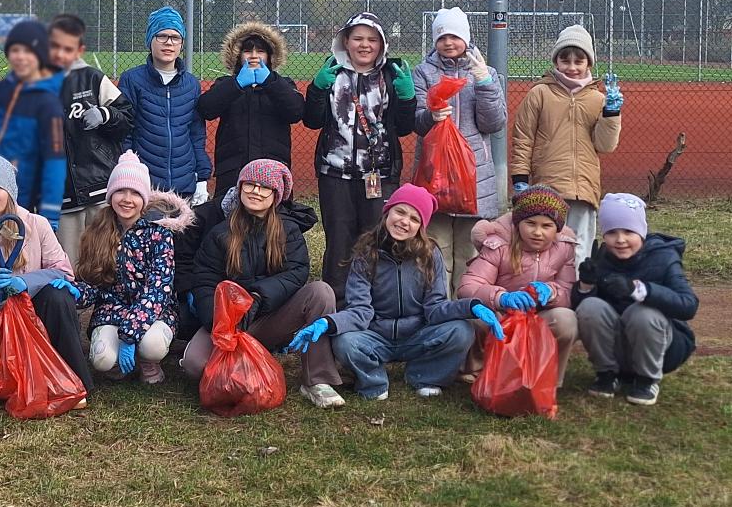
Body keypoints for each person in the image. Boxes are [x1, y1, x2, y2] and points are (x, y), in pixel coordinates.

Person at [177, 159, 345, 410]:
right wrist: (217, 320)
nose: (256, 191)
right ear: (240, 188)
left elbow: (296, 272)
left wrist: (258, 297)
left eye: (265, 187)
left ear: (277, 195)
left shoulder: (289, 230)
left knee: (320, 292)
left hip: (271, 316)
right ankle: (243, 366)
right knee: (195, 365)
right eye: (250, 184)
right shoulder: (220, 232)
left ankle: (317, 380)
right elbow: (204, 280)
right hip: (229, 322)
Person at [304, 183, 497, 401]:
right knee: (345, 341)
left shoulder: (430, 255)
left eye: (414, 219)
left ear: (421, 227)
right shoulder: (366, 253)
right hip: (375, 336)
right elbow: (360, 310)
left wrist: (471, 306)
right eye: (400, 212)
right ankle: (374, 381)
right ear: (387, 212)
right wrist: (329, 322)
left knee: (461, 331)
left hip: (418, 335)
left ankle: (424, 375)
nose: (405, 221)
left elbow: (435, 308)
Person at [0, 155, 92, 394]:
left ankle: (76, 379)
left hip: (35, 306)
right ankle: (15, 370)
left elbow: (63, 271)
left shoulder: (37, 225)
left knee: (58, 296)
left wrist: (25, 282)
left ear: (10, 192)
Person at [303, 11, 418, 291]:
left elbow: (404, 128)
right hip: (335, 174)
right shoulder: (333, 73)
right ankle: (337, 300)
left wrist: (407, 98)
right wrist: (317, 90)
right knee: (339, 241)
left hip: (379, 174)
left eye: (372, 39)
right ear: (346, 41)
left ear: (382, 44)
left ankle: (376, 299)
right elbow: (312, 120)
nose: (365, 45)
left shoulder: (391, 75)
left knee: (377, 238)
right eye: (357, 38)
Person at [509, 24, 623, 262]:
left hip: (583, 188)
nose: (572, 67)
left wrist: (611, 113)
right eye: (565, 60)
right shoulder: (539, 93)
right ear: (556, 62)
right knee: (546, 248)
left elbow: (605, 145)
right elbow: (523, 138)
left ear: (588, 64)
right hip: (547, 186)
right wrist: (520, 179)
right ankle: (546, 286)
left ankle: (579, 286)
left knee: (580, 249)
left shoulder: (598, 99)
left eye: (579, 61)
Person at [73, 151, 189, 385]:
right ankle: (118, 361)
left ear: (144, 199)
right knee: (102, 360)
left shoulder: (159, 235)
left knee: (152, 345)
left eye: (135, 193)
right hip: (111, 310)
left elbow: (158, 290)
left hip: (154, 313)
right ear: (111, 195)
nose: (127, 199)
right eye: (121, 191)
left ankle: (147, 359)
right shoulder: (97, 232)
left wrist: (129, 334)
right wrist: (75, 291)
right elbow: (93, 283)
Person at [574, 192, 696, 406]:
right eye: (612, 232)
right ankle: (606, 374)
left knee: (642, 313)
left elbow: (688, 305)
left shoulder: (664, 257)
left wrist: (640, 290)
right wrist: (586, 285)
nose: (620, 240)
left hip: (662, 346)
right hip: (619, 345)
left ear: (642, 232)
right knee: (590, 307)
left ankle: (647, 380)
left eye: (629, 231)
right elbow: (583, 314)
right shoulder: (602, 258)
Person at [412, 7, 509, 275]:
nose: (448, 42)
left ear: (466, 38)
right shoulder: (423, 73)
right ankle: (439, 299)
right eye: (442, 37)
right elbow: (416, 123)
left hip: (474, 174)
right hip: (435, 172)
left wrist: (484, 83)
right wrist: (430, 116)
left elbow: (493, 124)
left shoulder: (485, 72)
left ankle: (466, 300)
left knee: (470, 252)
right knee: (436, 247)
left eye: (454, 36)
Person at [460, 184, 580, 379]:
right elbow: (469, 286)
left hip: (538, 316)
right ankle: (476, 370)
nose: (538, 232)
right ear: (518, 222)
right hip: (501, 314)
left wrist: (552, 292)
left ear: (557, 229)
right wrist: (501, 298)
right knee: (478, 315)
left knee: (566, 320)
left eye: (546, 226)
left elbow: (568, 293)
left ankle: (546, 376)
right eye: (530, 223)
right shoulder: (498, 244)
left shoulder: (565, 248)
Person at [0, 20, 67, 229]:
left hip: (21, 192)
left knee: (13, 242)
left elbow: (54, 161)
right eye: (16, 50)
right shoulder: (0, 90)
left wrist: (50, 212)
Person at [47, 13, 134, 256]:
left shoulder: (93, 78)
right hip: (62, 198)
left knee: (106, 261)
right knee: (69, 266)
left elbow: (127, 118)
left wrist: (105, 115)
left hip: (100, 190)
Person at [197, 20, 303, 194]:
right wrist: (237, 84)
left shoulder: (283, 84)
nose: (254, 56)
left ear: (269, 56)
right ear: (238, 55)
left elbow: (295, 112)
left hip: (273, 167)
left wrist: (270, 82)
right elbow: (206, 108)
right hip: (232, 168)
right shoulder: (225, 83)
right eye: (248, 51)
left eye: (260, 51)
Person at [119, 6, 211, 201]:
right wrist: (129, 166)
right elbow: (125, 130)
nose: (169, 42)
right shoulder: (132, 80)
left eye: (175, 37)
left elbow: (196, 134)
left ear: (181, 43)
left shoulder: (191, 84)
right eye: (162, 36)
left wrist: (202, 177)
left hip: (184, 185)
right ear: (150, 40)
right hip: (145, 185)